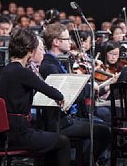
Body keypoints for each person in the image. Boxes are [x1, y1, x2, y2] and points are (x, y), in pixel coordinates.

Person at [40, 23, 112, 164]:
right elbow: (68, 96)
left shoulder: (60, 62)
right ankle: (84, 162)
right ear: (56, 42)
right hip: (60, 122)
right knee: (104, 132)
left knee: (106, 127)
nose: (70, 43)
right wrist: (89, 87)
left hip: (70, 117)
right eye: (67, 39)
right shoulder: (49, 66)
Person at [0, 28, 70, 165]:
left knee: (49, 140)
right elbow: (54, 93)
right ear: (30, 51)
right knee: (63, 141)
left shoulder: (6, 70)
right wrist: (60, 98)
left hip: (3, 134)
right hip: (19, 134)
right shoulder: (24, 72)